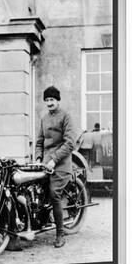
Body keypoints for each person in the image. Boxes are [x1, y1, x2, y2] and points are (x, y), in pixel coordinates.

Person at [35, 86, 77, 248]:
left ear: (58, 100)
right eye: (47, 100)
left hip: (61, 163)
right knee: (35, 190)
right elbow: (39, 142)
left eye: (52, 100)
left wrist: (54, 159)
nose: (49, 103)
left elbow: (70, 143)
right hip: (46, 163)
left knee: (54, 194)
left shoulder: (66, 116)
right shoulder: (44, 118)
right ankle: (40, 221)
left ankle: (60, 233)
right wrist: (39, 157)